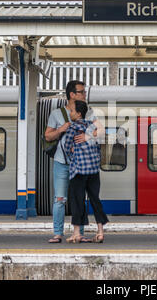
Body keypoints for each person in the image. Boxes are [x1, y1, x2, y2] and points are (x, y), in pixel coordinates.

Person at [44, 80, 102, 243]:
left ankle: (79, 233)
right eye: (82, 92)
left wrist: (87, 136)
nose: (85, 95)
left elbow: (100, 131)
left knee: (79, 198)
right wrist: (61, 129)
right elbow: (47, 136)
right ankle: (58, 233)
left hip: (81, 164)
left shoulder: (89, 113)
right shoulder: (56, 114)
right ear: (72, 94)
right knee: (60, 199)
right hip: (62, 162)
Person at [63, 100, 109, 243]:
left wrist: (73, 152)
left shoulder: (73, 128)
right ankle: (100, 231)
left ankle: (76, 233)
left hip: (78, 171)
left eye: (71, 111)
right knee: (95, 200)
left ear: (78, 113)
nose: (70, 113)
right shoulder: (91, 127)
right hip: (94, 170)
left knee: (77, 201)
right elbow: (99, 144)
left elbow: (67, 147)